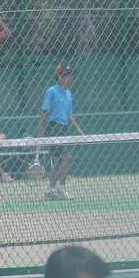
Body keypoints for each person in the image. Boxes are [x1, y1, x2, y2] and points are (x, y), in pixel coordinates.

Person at [37, 64, 84, 200]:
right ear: (59, 76)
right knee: (67, 157)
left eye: (70, 75)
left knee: (58, 161)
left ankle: (50, 191)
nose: (70, 77)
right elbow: (44, 112)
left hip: (63, 128)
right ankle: (62, 189)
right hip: (53, 127)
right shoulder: (51, 91)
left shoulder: (69, 94)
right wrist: (40, 131)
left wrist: (78, 129)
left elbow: (69, 115)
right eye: (66, 75)